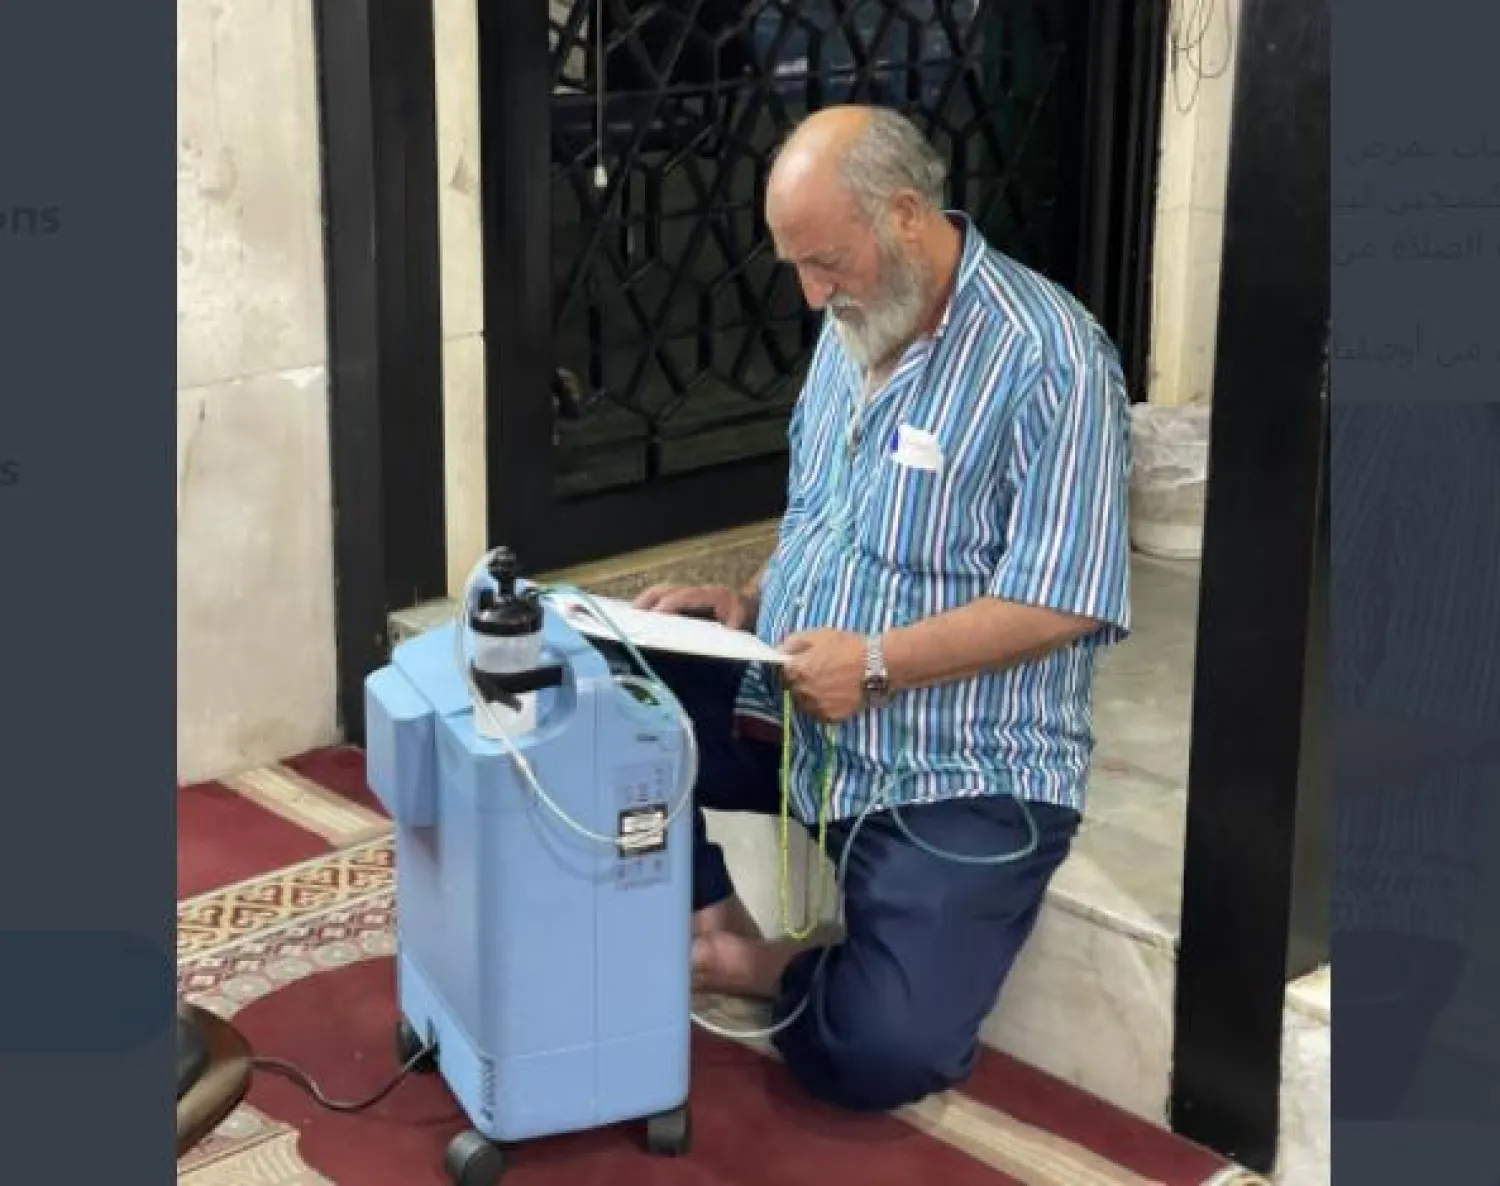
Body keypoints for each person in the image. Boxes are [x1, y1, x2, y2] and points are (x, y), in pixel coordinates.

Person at [635, 104, 1133, 1112]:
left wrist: (874, 664)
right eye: (798, 269)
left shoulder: (1053, 359)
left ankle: (763, 966)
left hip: (954, 764)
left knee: (887, 1049)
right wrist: (746, 600)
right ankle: (706, 915)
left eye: (826, 262)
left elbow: (1065, 599)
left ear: (906, 214)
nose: (814, 294)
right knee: (606, 681)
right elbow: (826, 512)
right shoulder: (860, 317)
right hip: (799, 710)